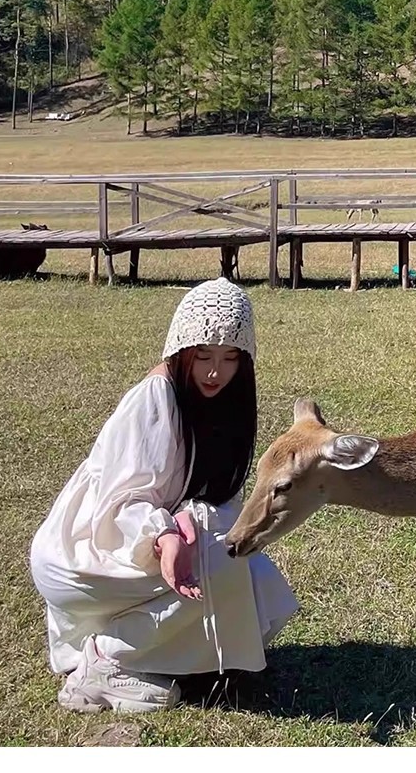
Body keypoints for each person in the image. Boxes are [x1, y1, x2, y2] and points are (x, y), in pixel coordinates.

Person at [29, 277, 298, 713]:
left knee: (247, 565)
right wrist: (164, 533)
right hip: (89, 547)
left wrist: (186, 522)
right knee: (218, 560)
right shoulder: (156, 397)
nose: (215, 372)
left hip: (138, 536)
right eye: (203, 356)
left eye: (230, 358)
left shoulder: (221, 403)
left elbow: (211, 496)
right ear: (181, 349)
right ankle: (106, 658)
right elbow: (121, 500)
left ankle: (168, 657)